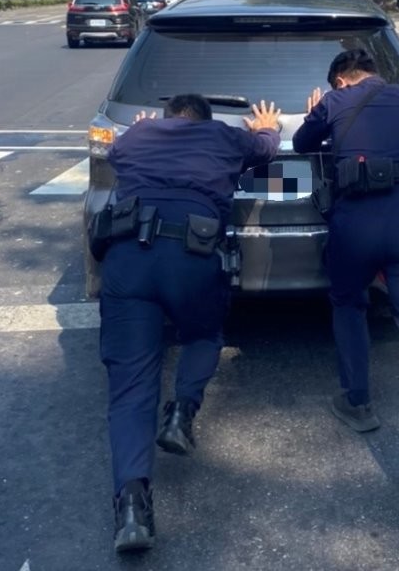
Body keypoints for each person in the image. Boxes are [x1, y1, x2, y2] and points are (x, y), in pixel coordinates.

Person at [101, 94, 281, 551]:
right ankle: (181, 412)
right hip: (193, 256)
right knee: (203, 334)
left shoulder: (139, 135)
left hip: (127, 260)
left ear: (164, 119)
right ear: (203, 119)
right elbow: (266, 151)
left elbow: (114, 152)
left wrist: (139, 126)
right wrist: (267, 125)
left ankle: (131, 510)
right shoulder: (221, 135)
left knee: (130, 388)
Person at [292, 49, 399, 510]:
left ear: (341, 80)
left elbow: (300, 145)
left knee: (348, 302)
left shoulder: (334, 101)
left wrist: (319, 110)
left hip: (356, 222)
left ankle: (358, 401)